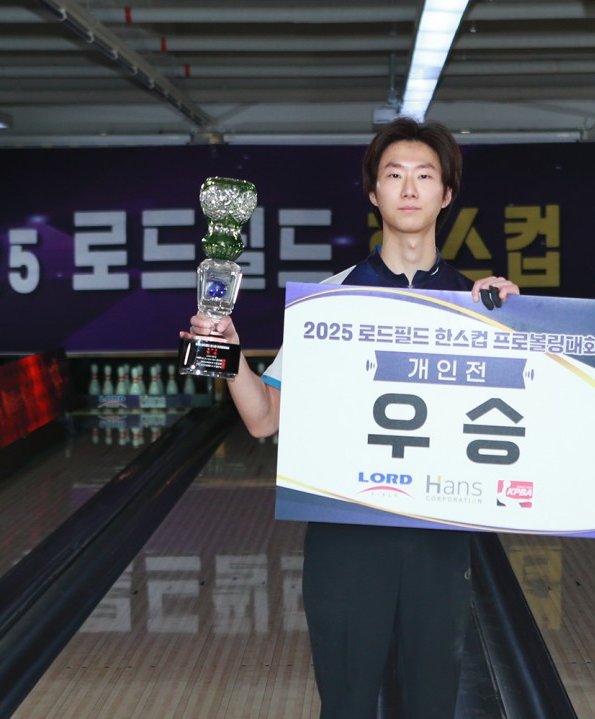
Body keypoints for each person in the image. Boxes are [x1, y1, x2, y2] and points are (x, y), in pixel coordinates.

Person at [182, 117, 519, 718]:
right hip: (344, 540)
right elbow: (265, 420)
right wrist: (228, 354)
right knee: (346, 706)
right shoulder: (330, 301)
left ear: (446, 194)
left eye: (424, 176)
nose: (409, 188)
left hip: (436, 544)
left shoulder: (479, 306)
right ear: (373, 193)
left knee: (432, 706)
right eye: (394, 175)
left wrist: (520, 322)